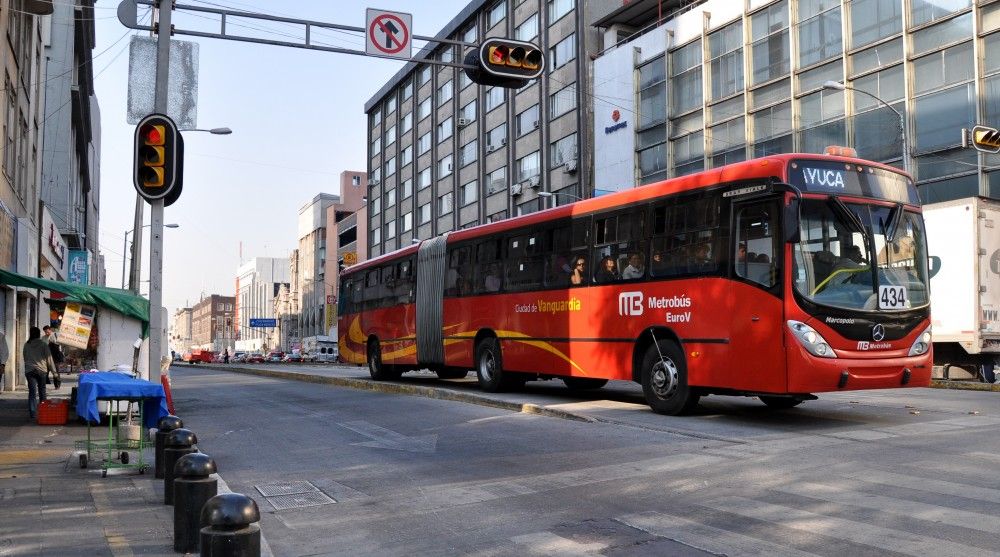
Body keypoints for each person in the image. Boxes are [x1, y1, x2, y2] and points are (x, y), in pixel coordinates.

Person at [23, 326, 57, 419]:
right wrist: (54, 373)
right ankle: (43, 411)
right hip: (42, 371)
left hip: (30, 371)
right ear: (38, 334)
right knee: (42, 390)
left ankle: (32, 413)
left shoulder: (26, 345)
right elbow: (49, 359)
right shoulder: (43, 344)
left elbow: (25, 357)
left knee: (32, 392)